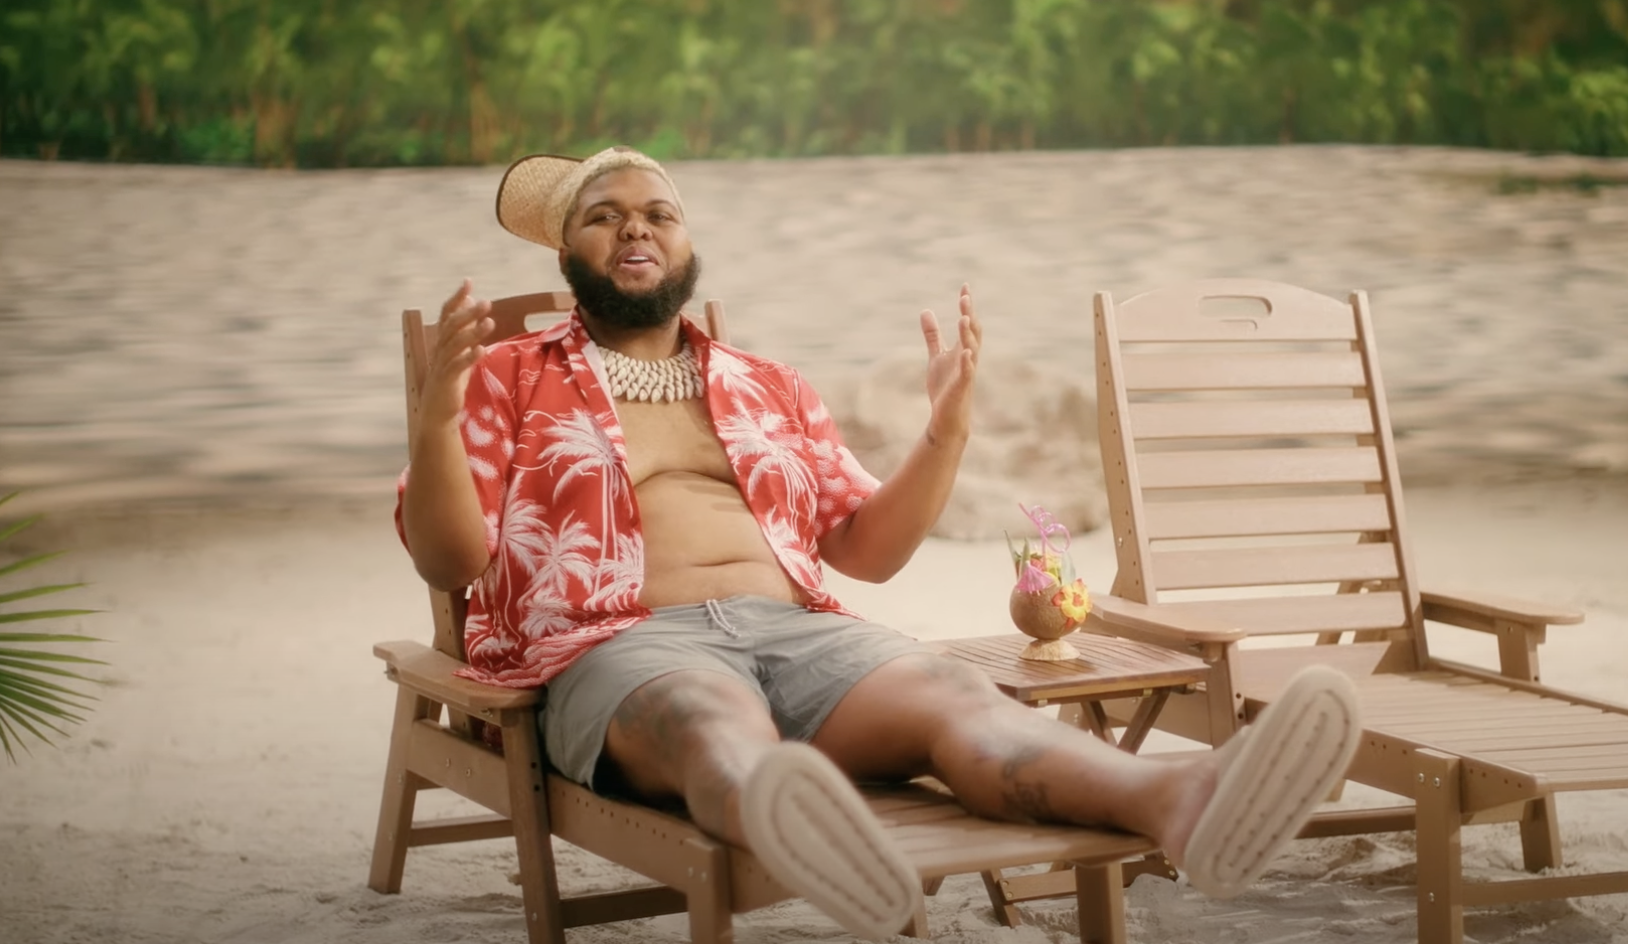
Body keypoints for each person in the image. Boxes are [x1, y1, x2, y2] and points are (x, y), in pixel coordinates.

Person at [396, 146, 1361, 940]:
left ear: (688, 244)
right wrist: (438, 417)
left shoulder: (769, 384)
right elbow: (449, 562)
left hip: (800, 633)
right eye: (603, 216)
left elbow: (866, 552)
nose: (635, 227)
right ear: (566, 254)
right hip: (620, 646)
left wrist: (944, 432)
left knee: (957, 697)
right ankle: (798, 820)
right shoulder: (506, 376)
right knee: (706, 713)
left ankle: (1178, 799)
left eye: (659, 212)